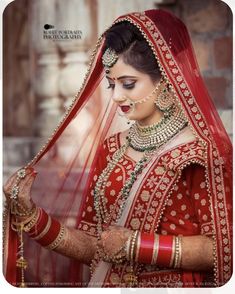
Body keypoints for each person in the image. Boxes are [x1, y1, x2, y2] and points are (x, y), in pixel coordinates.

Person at [3, 9, 232, 288]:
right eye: (112, 84)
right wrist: (32, 216)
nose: (115, 97)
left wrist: (136, 244)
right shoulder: (112, 149)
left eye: (128, 84)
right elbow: (93, 247)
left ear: (167, 81)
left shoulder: (200, 153)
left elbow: (223, 250)